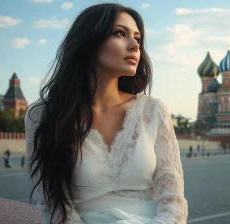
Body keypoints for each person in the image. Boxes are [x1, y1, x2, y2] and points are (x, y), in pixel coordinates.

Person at [25, 3, 188, 224]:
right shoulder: (43, 116)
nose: (134, 46)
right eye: (120, 33)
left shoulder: (153, 110)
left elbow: (173, 201)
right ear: (89, 41)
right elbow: (53, 204)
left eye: (138, 39)